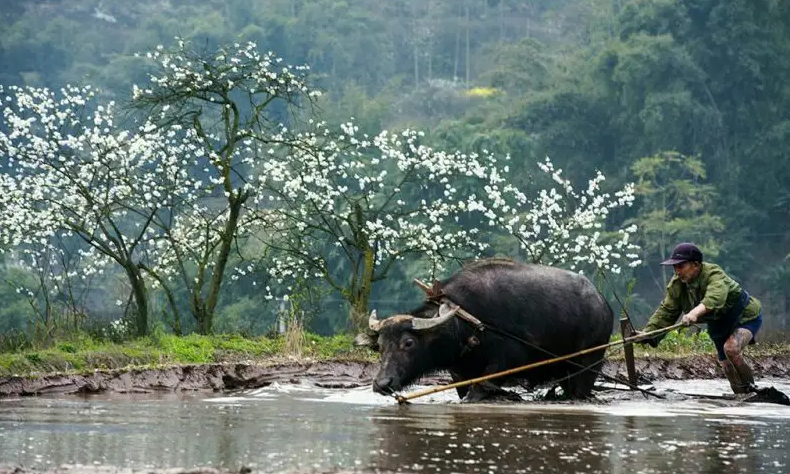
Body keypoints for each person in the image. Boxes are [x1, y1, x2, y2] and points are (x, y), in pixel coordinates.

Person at [636, 242, 763, 394]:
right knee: (726, 365)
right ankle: (740, 397)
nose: (677, 272)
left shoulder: (714, 274)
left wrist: (693, 314)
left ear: (696, 265)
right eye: (674, 267)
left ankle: (754, 391)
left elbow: (714, 298)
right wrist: (648, 334)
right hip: (718, 324)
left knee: (731, 349)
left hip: (744, 316)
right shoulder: (677, 284)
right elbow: (667, 312)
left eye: (681, 266)